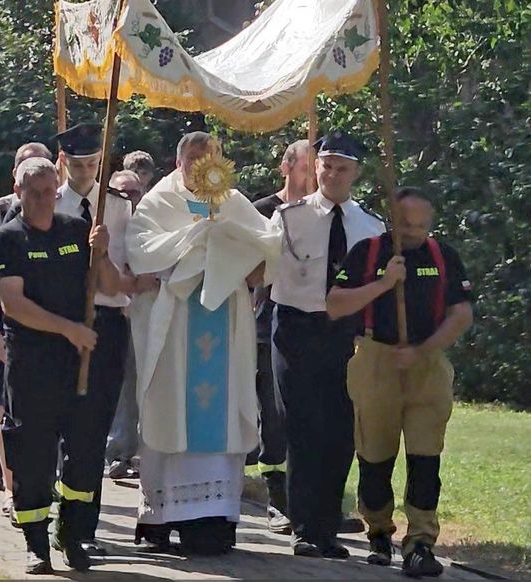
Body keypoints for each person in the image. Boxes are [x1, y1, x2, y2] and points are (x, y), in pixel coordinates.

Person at [126, 131, 279, 556]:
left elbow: (267, 248)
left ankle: (215, 519)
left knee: (222, 411)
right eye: (193, 158)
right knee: (168, 408)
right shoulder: (159, 201)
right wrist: (198, 240)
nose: (200, 166)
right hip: (174, 325)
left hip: (225, 324)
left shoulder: (234, 202)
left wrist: (238, 253)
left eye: (209, 157)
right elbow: (142, 251)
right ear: (179, 162)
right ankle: (161, 518)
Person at [326, 187, 473, 577]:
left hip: (427, 363)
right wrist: (384, 283)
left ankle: (421, 541)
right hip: (375, 358)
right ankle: (378, 530)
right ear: (392, 219)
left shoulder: (443, 256)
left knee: (425, 456)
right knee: (375, 454)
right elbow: (335, 305)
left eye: (422, 226)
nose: (414, 232)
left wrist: (422, 351)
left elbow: (461, 315)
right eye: (407, 224)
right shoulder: (368, 253)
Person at [0, 156, 113, 574]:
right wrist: (69, 329)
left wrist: (102, 254)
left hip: (79, 365)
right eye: (33, 193)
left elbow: (110, 285)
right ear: (18, 192)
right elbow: (13, 304)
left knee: (85, 453)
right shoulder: (8, 238)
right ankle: (36, 544)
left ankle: (72, 536)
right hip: (32, 366)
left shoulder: (76, 229)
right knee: (33, 456)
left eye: (47, 192)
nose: (41, 200)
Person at [270, 130, 386, 558]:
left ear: (356, 173)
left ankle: (326, 526)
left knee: (339, 431)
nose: (332, 174)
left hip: (344, 334)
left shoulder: (371, 226)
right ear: (315, 167)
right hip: (296, 329)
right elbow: (263, 270)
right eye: (327, 166)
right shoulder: (288, 217)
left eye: (342, 168)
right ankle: (303, 527)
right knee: (302, 427)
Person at [43, 122, 133, 559]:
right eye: (76, 165)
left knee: (93, 431)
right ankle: (50, 517)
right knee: (58, 428)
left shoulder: (117, 206)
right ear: (63, 162)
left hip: (105, 323)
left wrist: (102, 253)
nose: (83, 173)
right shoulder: (48, 203)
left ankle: (81, 528)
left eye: (91, 164)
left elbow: (119, 286)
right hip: (61, 325)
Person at [0, 142, 51, 516]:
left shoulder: (62, 217)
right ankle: (10, 487)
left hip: (47, 331)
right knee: (6, 409)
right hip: (5, 327)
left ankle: (40, 485)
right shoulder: (1, 214)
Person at [249, 139, 314, 533]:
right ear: (286, 167)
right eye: (307, 168)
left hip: (313, 325)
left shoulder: (324, 215)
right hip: (267, 321)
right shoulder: (261, 211)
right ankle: (277, 499)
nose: (313, 177)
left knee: (313, 415)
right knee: (273, 415)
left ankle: (314, 500)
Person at [103, 170, 151, 481]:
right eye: (121, 192)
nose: (128, 198)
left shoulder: (149, 222)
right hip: (109, 311)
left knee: (134, 386)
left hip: (142, 314)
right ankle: (112, 450)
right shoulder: (106, 224)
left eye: (134, 192)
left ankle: (125, 452)